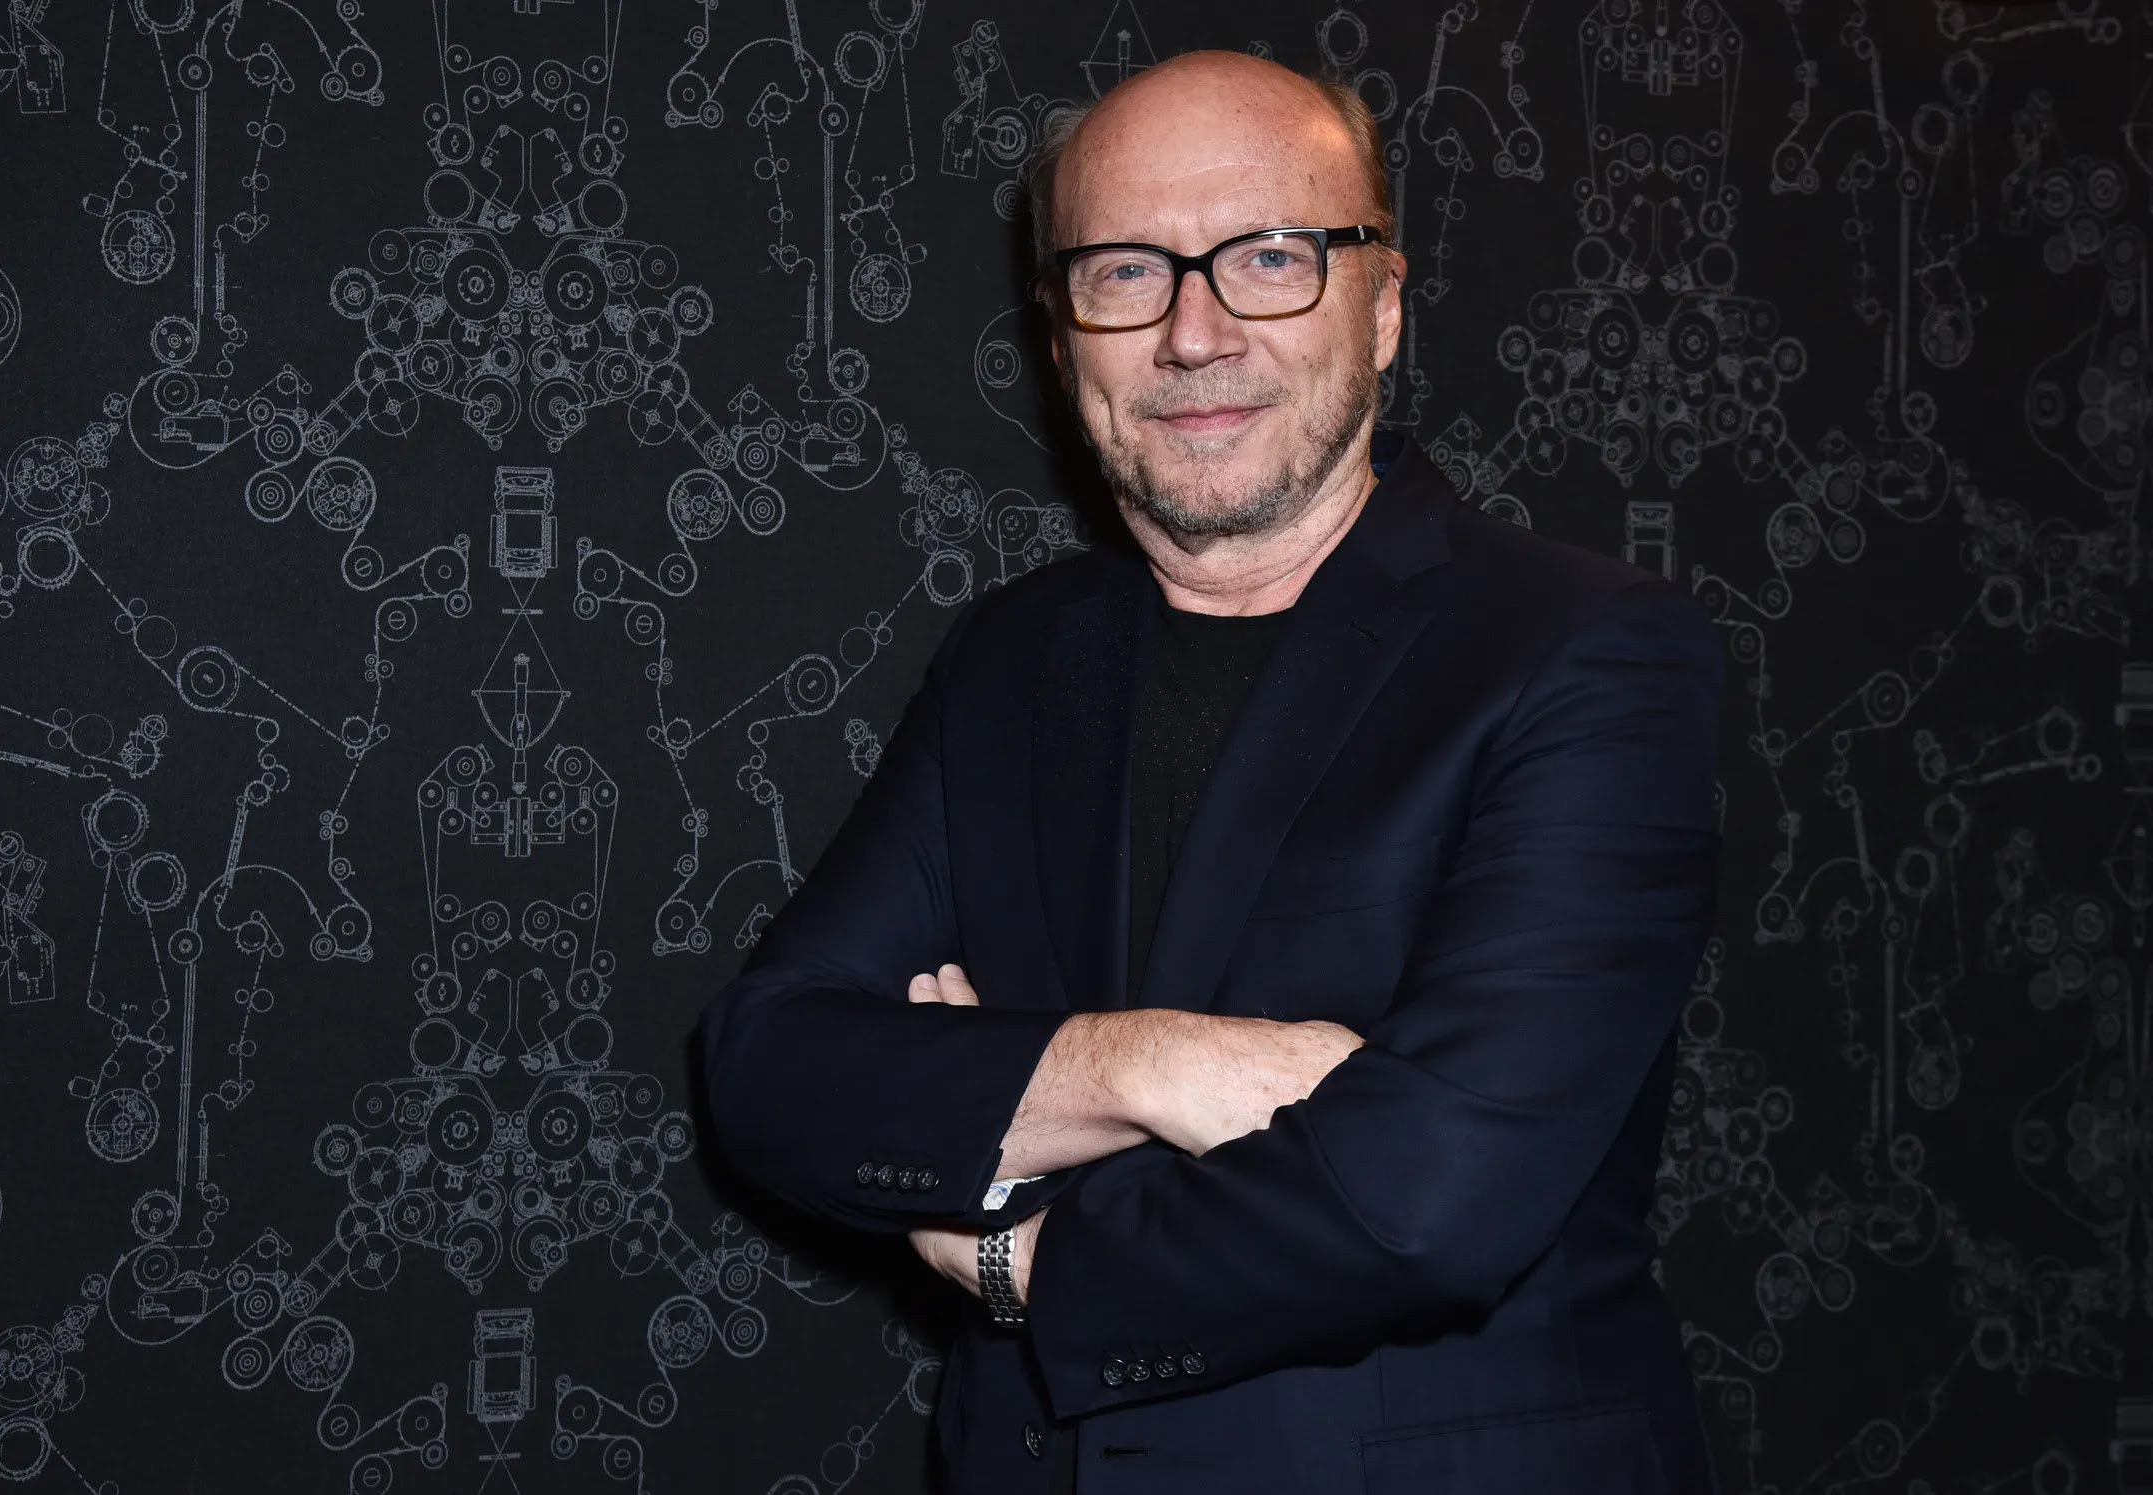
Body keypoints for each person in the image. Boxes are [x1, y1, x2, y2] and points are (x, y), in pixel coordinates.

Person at [700, 48, 1724, 1495]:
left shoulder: (1587, 650)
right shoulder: (1007, 659)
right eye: (1125, 271)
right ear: (1063, 337)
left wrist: (1015, 1251)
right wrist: (1156, 1064)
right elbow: (770, 1069)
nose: (1194, 333)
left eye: (1269, 258)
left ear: (1383, 308)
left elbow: (1433, 1200)